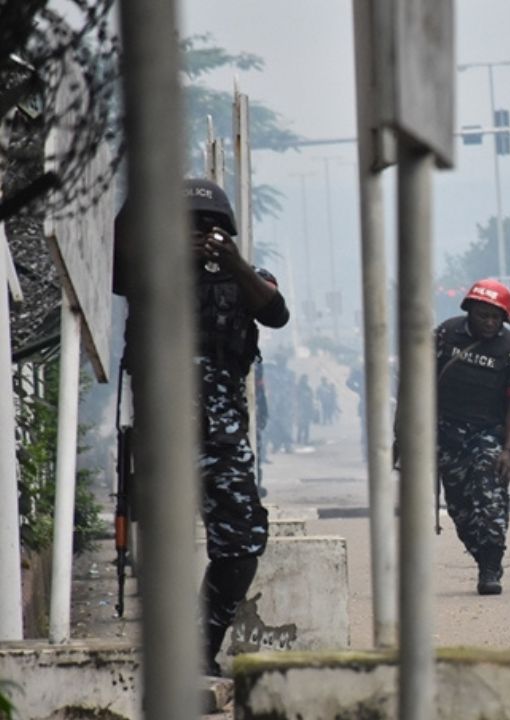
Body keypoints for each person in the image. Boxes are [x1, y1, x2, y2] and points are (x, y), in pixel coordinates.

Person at [113, 178, 290, 676]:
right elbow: (118, 261)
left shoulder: (248, 277)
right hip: (161, 433)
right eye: (190, 226)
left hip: (222, 438)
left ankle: (201, 644)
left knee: (243, 541)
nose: (202, 235)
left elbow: (276, 313)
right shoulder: (149, 275)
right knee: (159, 544)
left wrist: (232, 264)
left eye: (212, 227)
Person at [410, 278, 510, 595]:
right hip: (447, 435)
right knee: (461, 510)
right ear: (469, 311)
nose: (490, 322)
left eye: (496, 317)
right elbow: (416, 382)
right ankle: (482, 555)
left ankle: (491, 566)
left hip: (488, 435)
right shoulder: (444, 336)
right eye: (483, 315)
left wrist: (508, 450)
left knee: (490, 499)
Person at [294, 375, 314, 446]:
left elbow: (311, 398)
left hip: (307, 408)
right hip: (301, 408)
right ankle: (298, 439)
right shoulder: (298, 388)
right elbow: (295, 397)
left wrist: (311, 408)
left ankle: (306, 439)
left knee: (306, 425)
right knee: (300, 425)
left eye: (306, 379)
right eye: (304, 379)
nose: (305, 380)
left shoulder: (308, 388)